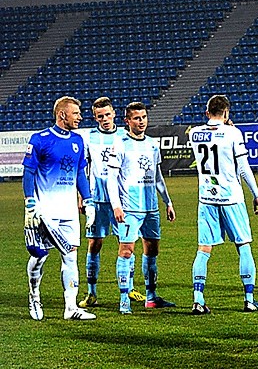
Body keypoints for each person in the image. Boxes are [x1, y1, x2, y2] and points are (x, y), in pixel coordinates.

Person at [188, 95, 258, 314]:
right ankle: (249, 299)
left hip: (206, 198)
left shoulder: (194, 133)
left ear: (207, 112)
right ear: (227, 112)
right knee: (243, 245)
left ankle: (198, 300)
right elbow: (243, 168)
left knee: (203, 249)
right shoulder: (233, 133)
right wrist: (257, 194)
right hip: (231, 197)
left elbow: (210, 133)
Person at [23, 96, 97, 320]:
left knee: (71, 256)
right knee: (39, 255)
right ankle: (34, 296)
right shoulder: (40, 139)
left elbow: (80, 173)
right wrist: (29, 202)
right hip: (45, 212)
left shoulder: (78, 140)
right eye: (76, 113)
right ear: (62, 114)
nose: (81, 117)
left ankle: (71, 307)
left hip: (69, 212)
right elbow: (28, 172)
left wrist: (89, 200)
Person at [107, 102, 176, 314]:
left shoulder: (153, 144)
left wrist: (168, 201)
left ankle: (151, 297)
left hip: (151, 208)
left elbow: (157, 177)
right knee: (126, 251)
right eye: (136, 118)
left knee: (152, 251)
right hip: (129, 207)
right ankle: (124, 299)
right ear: (127, 121)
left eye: (144, 117)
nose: (141, 121)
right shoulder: (120, 143)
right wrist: (116, 206)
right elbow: (111, 178)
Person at [79, 97, 145, 308]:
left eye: (107, 114)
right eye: (100, 116)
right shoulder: (89, 137)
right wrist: (81, 197)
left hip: (123, 200)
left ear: (114, 114)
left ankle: (131, 288)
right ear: (95, 117)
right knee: (94, 244)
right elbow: (83, 169)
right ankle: (91, 293)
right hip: (97, 199)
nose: (105, 119)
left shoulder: (125, 136)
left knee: (128, 244)